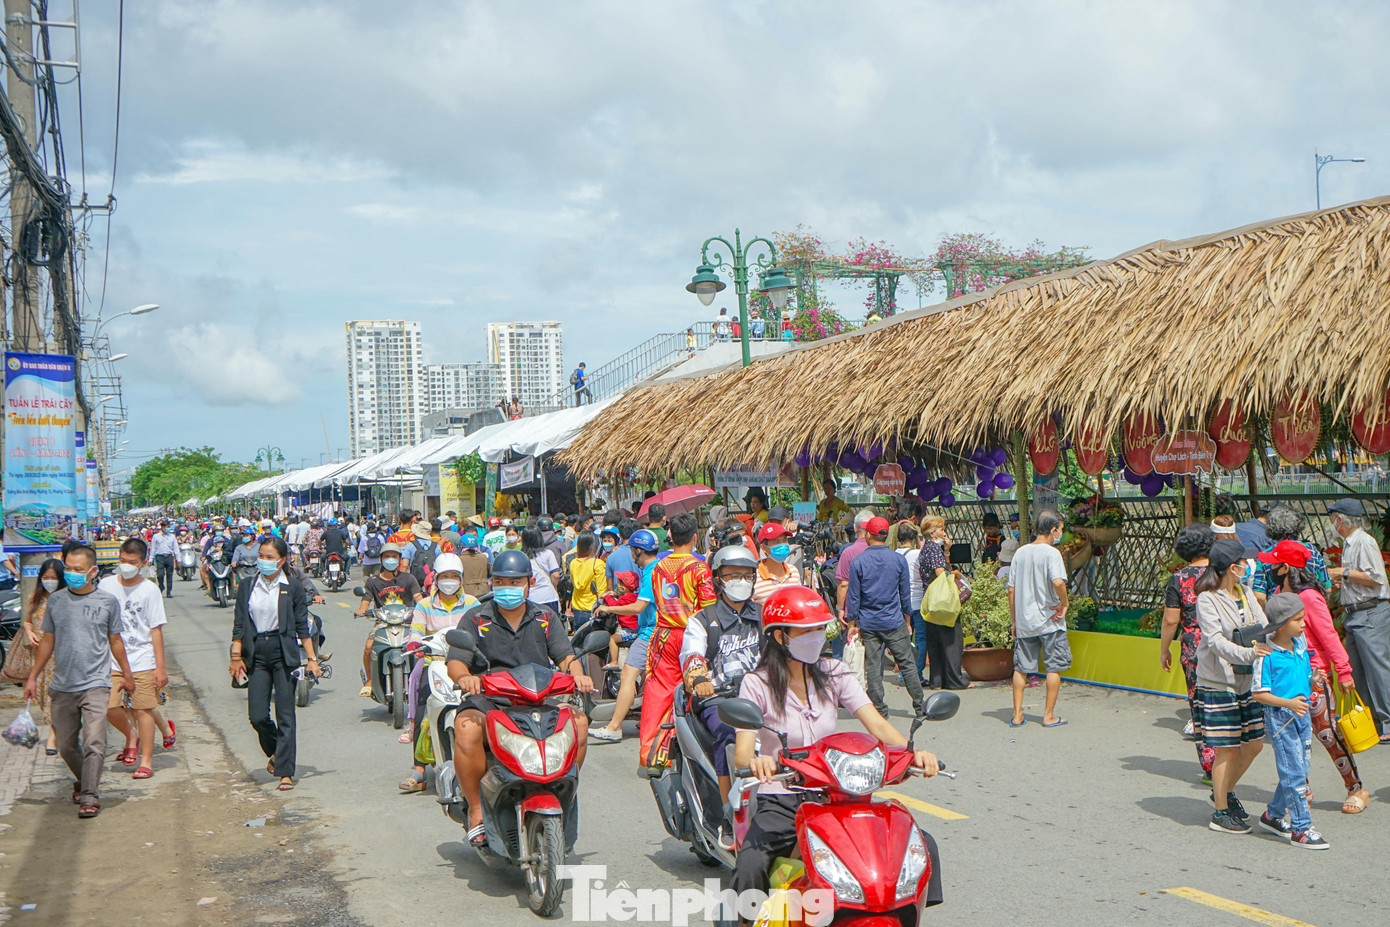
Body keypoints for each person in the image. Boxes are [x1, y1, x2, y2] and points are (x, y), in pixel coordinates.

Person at [731, 585, 941, 903]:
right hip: (784, 799)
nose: (816, 636)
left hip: (841, 795)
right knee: (749, 865)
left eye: (819, 628)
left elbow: (877, 724)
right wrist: (759, 761)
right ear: (780, 636)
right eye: (805, 630)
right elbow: (743, 752)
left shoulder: (834, 672)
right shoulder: (757, 683)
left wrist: (912, 754)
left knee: (920, 847)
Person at [445, 549, 594, 846]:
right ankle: (476, 810)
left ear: (529, 583)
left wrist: (578, 674)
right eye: (500, 581)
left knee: (579, 723)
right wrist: (465, 678)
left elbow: (565, 656)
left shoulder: (544, 617)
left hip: (539, 698)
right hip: (490, 699)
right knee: (466, 729)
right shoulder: (476, 618)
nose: (508, 588)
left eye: (515, 582)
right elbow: (456, 661)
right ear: (492, 583)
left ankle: (563, 790)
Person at [1258, 539, 1370, 814]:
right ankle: (1301, 789)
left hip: (1313, 677)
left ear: (1285, 567)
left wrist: (1343, 671)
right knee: (1291, 738)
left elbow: (1329, 635)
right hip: (1284, 678)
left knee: (1326, 734)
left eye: (1272, 564)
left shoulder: (1309, 597)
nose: (1267, 567)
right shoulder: (1276, 593)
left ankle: (1356, 788)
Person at [24, 545, 135, 818]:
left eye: (79, 570)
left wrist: (127, 673)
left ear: (92, 571)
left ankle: (90, 795)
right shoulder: (57, 601)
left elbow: (115, 641)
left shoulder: (107, 602)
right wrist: (33, 676)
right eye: (69, 569)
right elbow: (48, 639)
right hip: (62, 685)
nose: (73, 574)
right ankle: (83, 780)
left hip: (96, 683)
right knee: (65, 745)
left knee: (94, 741)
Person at [680, 544, 762, 826]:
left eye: (747, 575)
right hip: (720, 699)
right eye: (733, 575)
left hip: (762, 697)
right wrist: (699, 678)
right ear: (718, 580)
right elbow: (692, 655)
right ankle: (730, 812)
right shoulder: (703, 620)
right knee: (730, 732)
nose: (741, 581)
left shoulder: (765, 615)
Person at [229, 536, 320, 792]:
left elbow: (302, 627)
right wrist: (236, 657)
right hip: (256, 653)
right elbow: (239, 624)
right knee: (257, 716)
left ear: (282, 560)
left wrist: (312, 660)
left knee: (286, 715)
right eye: (261, 556)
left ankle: (285, 772)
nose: (264, 561)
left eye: (270, 557)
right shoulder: (247, 586)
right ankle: (276, 752)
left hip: (284, 654)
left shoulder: (292, 587)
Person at [1193, 538, 1269, 834]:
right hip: (1218, 680)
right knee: (1226, 748)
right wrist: (1249, 653)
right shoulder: (1207, 598)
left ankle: (1223, 791)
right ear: (1230, 567)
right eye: (1243, 563)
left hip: (1247, 679)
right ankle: (1220, 812)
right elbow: (1215, 641)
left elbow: (1262, 628)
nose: (1248, 567)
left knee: (1253, 744)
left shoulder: (1246, 592)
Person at [1249, 593, 1327, 849]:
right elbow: (1259, 693)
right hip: (1282, 719)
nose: (1304, 624)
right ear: (1282, 624)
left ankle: (1272, 815)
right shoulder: (1267, 655)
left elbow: (1303, 677)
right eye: (1298, 619)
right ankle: (1301, 829)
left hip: (1302, 716)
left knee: (1299, 771)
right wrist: (1290, 703)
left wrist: (1314, 679)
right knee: (1294, 774)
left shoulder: (1300, 646)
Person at [638, 514, 716, 767]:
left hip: (662, 635)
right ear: (695, 537)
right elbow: (708, 608)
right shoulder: (699, 567)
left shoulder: (658, 567)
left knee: (657, 693)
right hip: (691, 637)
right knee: (696, 690)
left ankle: (652, 755)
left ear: (670, 536)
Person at [399, 554, 479, 793]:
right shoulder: (424, 605)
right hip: (433, 664)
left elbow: (481, 629)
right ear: (436, 579)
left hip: (465, 665)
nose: (449, 581)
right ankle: (420, 770)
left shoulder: (473, 603)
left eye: (454, 576)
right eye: (444, 577)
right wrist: (414, 643)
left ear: (461, 579)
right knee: (424, 707)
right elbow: (416, 629)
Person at [100, 538, 175, 780]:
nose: (126, 566)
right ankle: (132, 735)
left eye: (132, 562)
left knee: (143, 708)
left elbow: (155, 630)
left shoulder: (150, 590)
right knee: (109, 706)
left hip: (143, 659)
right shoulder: (106, 585)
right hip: (111, 659)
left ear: (143, 563)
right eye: (122, 561)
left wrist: (160, 668)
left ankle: (146, 761)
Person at [588, 529, 663, 744]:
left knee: (628, 676)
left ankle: (614, 726)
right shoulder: (657, 568)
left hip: (649, 632)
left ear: (639, 550)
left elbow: (639, 606)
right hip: (657, 632)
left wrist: (609, 609)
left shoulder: (651, 571)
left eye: (632, 549)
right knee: (650, 680)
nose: (631, 553)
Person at [1326, 498, 1390, 741]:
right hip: (1356, 613)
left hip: (1370, 613)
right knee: (1358, 672)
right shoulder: (1350, 544)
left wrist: (1342, 572)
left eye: (1333, 519)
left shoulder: (1364, 541)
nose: (1331, 523)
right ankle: (1369, 723)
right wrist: (1345, 580)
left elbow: (1376, 578)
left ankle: (1387, 723)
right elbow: (1362, 577)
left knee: (1378, 671)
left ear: (1340, 519)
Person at [847, 515, 924, 716]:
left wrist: (852, 624)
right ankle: (920, 705)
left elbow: (853, 597)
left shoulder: (858, 562)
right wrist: (908, 621)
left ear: (868, 536)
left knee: (873, 666)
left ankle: (879, 709)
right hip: (894, 621)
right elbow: (904, 594)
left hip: (869, 623)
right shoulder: (898, 560)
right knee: (907, 663)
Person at [1159, 523, 1217, 784]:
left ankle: (1210, 765)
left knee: (1199, 704)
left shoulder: (1180, 578)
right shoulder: (1222, 573)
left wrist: (1164, 650)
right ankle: (1232, 758)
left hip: (1194, 647)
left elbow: (1171, 621)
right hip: (1225, 645)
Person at [1008, 509, 1071, 728]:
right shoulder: (1051, 553)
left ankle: (1017, 715)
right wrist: (1065, 603)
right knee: (1053, 668)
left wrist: (1015, 620)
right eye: (1060, 530)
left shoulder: (1021, 552)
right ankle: (1048, 715)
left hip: (1025, 620)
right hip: (1050, 620)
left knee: (1021, 668)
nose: (1060, 534)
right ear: (1054, 530)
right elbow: (1058, 582)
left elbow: (1011, 590)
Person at [354, 543, 425, 697]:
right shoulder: (373, 581)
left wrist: (426, 607)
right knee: (369, 646)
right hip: (383, 622)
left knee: (421, 648)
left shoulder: (408, 578)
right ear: (381, 559)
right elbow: (365, 601)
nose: (390, 559)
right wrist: (362, 610)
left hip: (406, 621)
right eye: (387, 556)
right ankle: (370, 681)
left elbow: (418, 598)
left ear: (399, 559)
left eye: (394, 556)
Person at [917, 516, 969, 690]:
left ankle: (937, 680)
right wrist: (956, 575)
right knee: (951, 641)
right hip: (943, 601)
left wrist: (947, 551)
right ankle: (954, 680)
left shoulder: (926, 549)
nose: (944, 531)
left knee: (935, 642)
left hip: (931, 601)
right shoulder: (933, 549)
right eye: (941, 528)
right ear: (933, 532)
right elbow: (941, 573)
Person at [20, 558, 64, 754]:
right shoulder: (34, 598)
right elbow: (27, 621)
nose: (49, 581)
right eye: (45, 577)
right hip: (40, 657)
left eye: (53, 578)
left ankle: (53, 738)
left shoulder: (66, 598)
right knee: (44, 696)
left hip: (61, 655)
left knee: (56, 696)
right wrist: (29, 632)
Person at [834, 509, 875, 622]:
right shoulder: (884, 550)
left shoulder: (848, 552)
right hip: (880, 612)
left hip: (854, 612)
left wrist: (840, 609)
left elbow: (843, 584)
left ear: (855, 529)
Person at [752, 522, 801, 605]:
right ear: (764, 548)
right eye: (776, 541)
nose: (782, 545)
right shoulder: (755, 577)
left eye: (785, 540)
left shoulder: (793, 571)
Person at [567, 532, 608, 629]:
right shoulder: (598, 564)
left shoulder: (573, 563)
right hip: (594, 609)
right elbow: (602, 590)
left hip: (577, 608)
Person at [520, 526, 562, 613]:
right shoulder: (548, 553)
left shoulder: (521, 556)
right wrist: (554, 585)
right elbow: (556, 575)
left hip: (530, 598)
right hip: (549, 596)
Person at [456, 534, 491, 600]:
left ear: (461, 546)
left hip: (466, 592)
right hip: (484, 591)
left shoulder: (459, 559)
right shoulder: (483, 557)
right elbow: (489, 573)